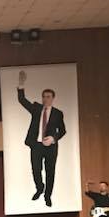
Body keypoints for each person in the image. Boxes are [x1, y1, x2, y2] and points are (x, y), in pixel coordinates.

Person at [17, 71, 66, 206]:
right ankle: (39, 188)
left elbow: (62, 131)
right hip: (36, 145)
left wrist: (53, 138)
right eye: (44, 97)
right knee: (36, 169)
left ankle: (48, 196)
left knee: (50, 172)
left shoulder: (58, 113)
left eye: (48, 97)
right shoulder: (36, 108)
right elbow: (22, 100)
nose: (45, 99)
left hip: (51, 147)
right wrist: (21, 84)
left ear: (53, 98)